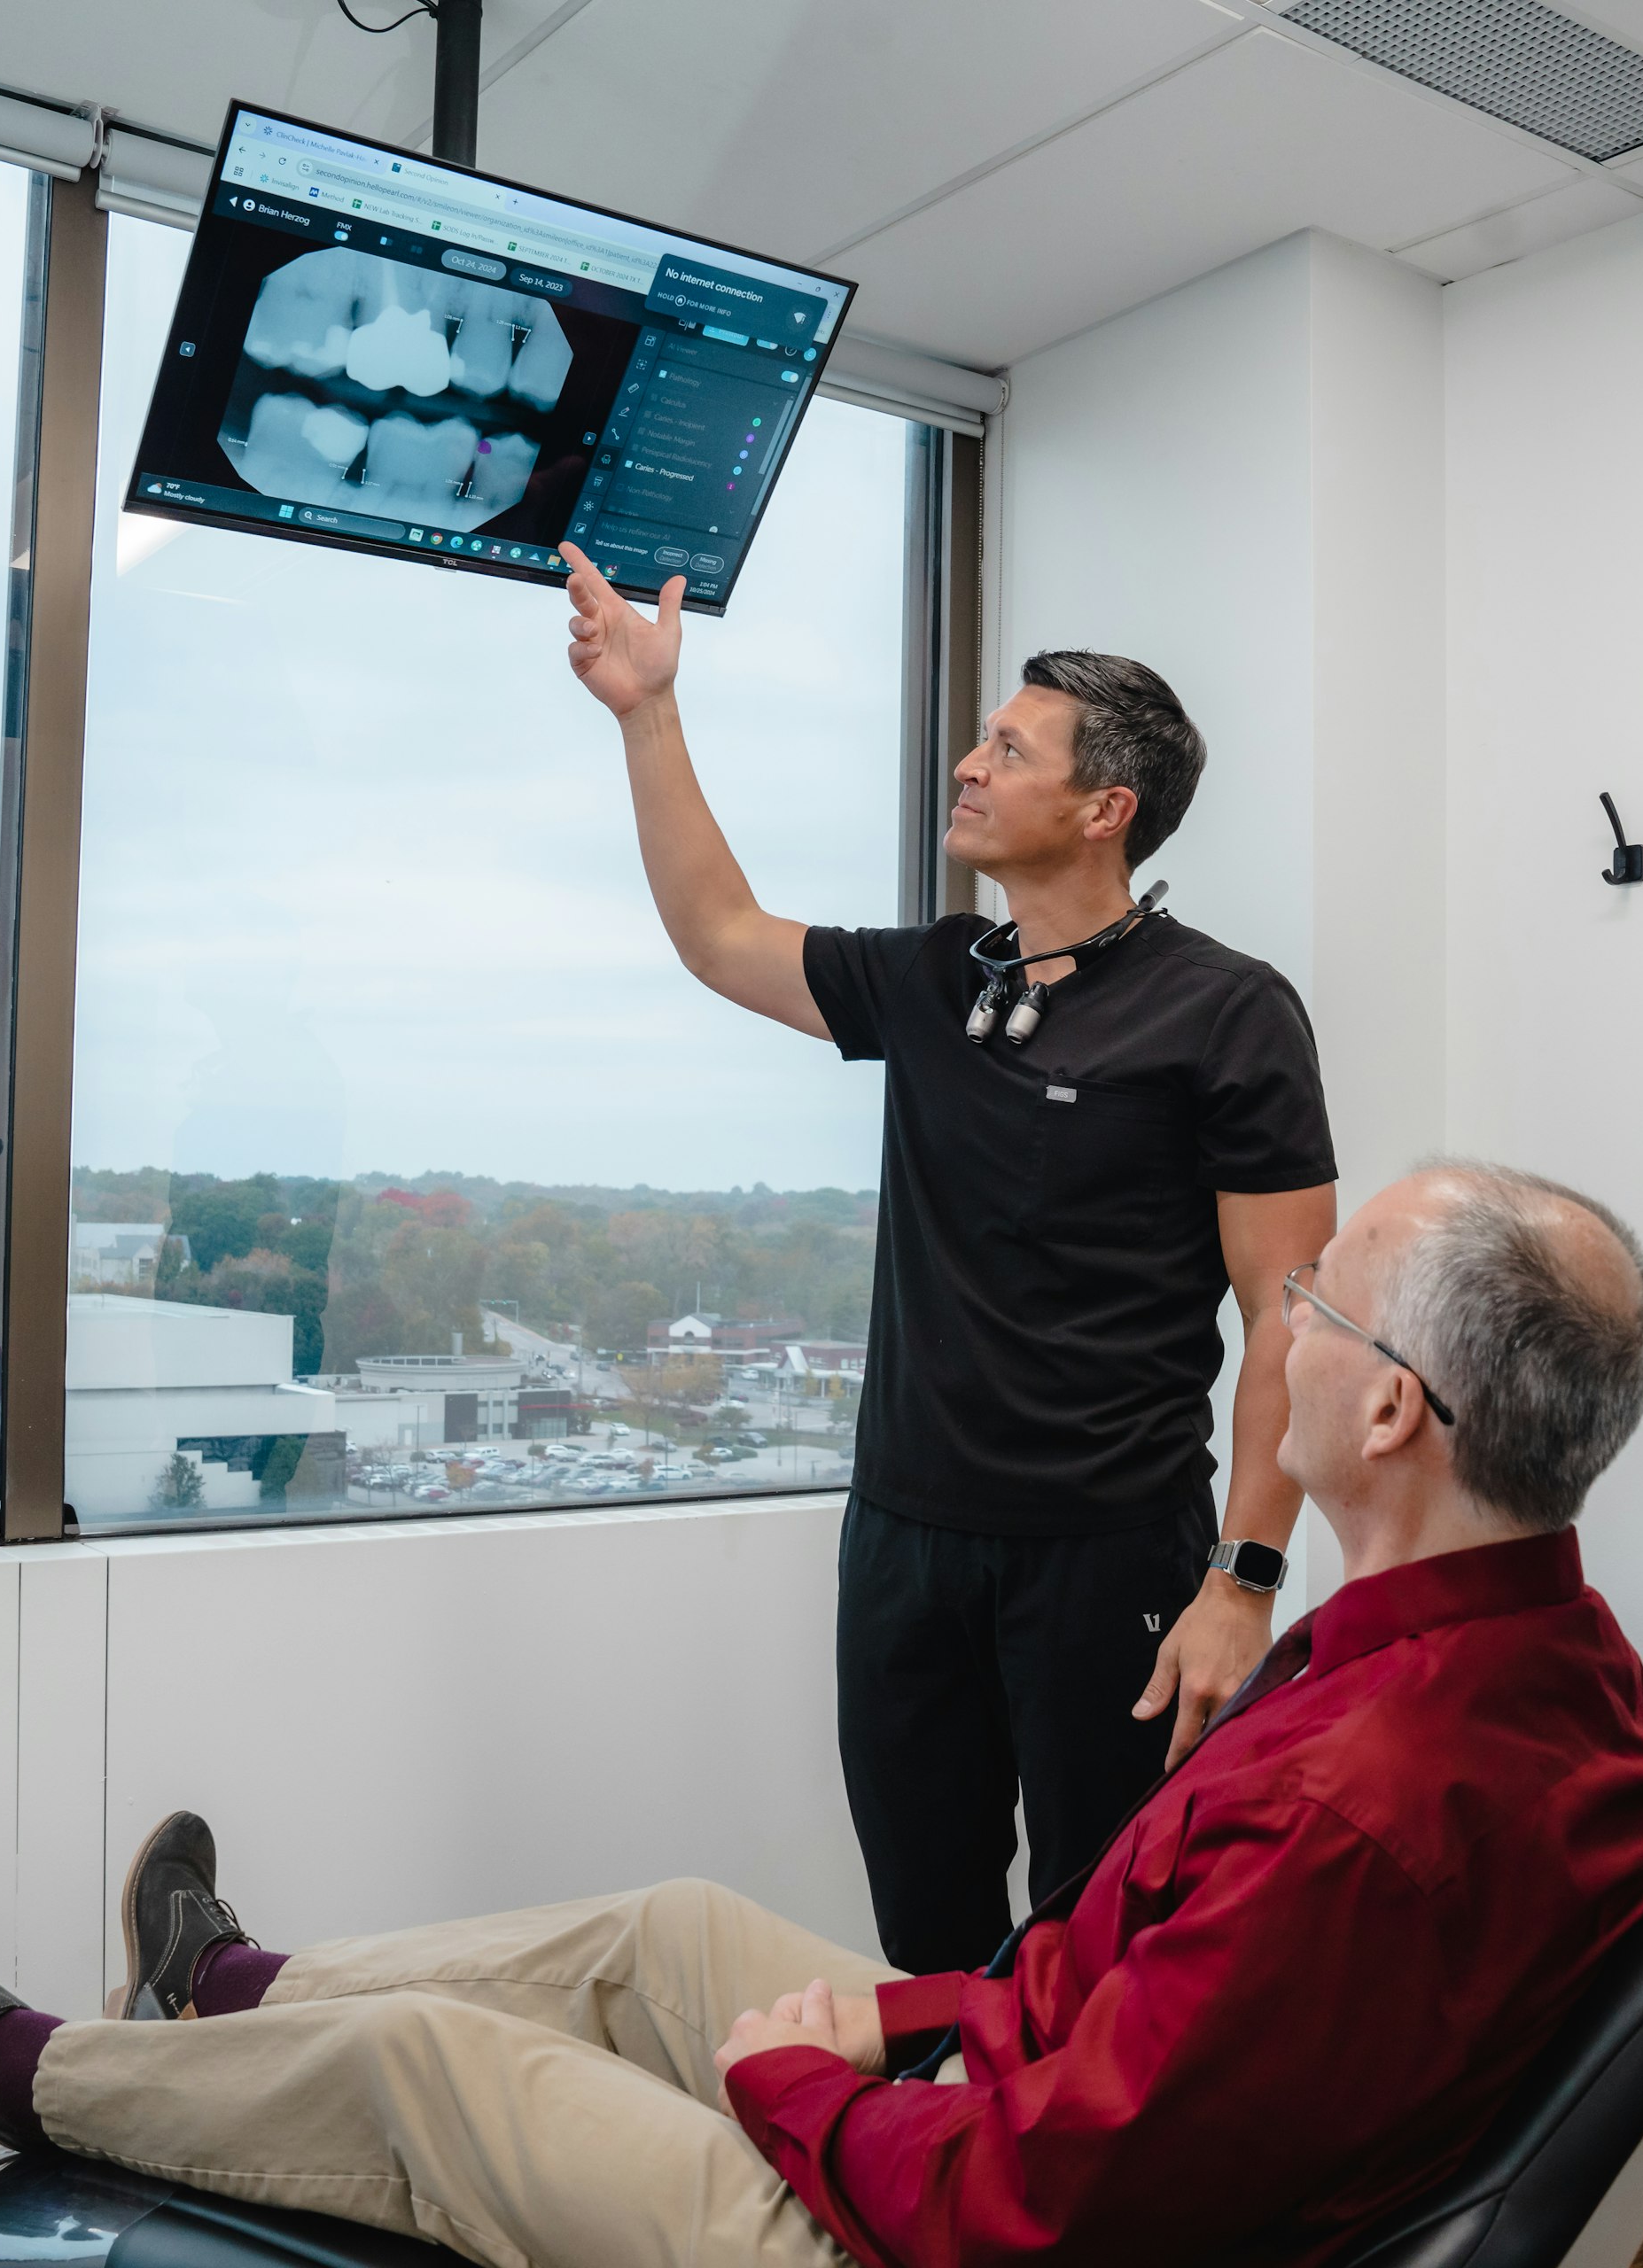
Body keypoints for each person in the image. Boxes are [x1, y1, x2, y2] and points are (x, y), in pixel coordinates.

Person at [0, 1161, 1643, 2268]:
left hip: (952, 2241)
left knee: (439, 2072)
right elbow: (1168, 2009)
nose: (1271, 1314)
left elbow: (1045, 2206)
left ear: (1386, 1413)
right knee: (673, 1928)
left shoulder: (1368, 1801)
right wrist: (924, 2010)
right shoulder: (1561, 1673)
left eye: (1315, 1296)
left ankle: (23, 2061)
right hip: (1041, 2104)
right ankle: (231, 1991)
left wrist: (811, 2082)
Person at [550, 546, 1341, 1974]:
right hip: (905, 1543)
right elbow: (721, 937)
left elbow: (1293, 1316)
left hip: (1113, 1558)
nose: (968, 766)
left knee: (1105, 1951)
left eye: (1006, 747)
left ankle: (1089, 2198)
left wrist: (1246, 1581)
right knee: (927, 1940)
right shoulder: (934, 980)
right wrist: (646, 715)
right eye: (980, 735)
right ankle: (928, 2178)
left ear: (1106, 808)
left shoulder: (1227, 1014)